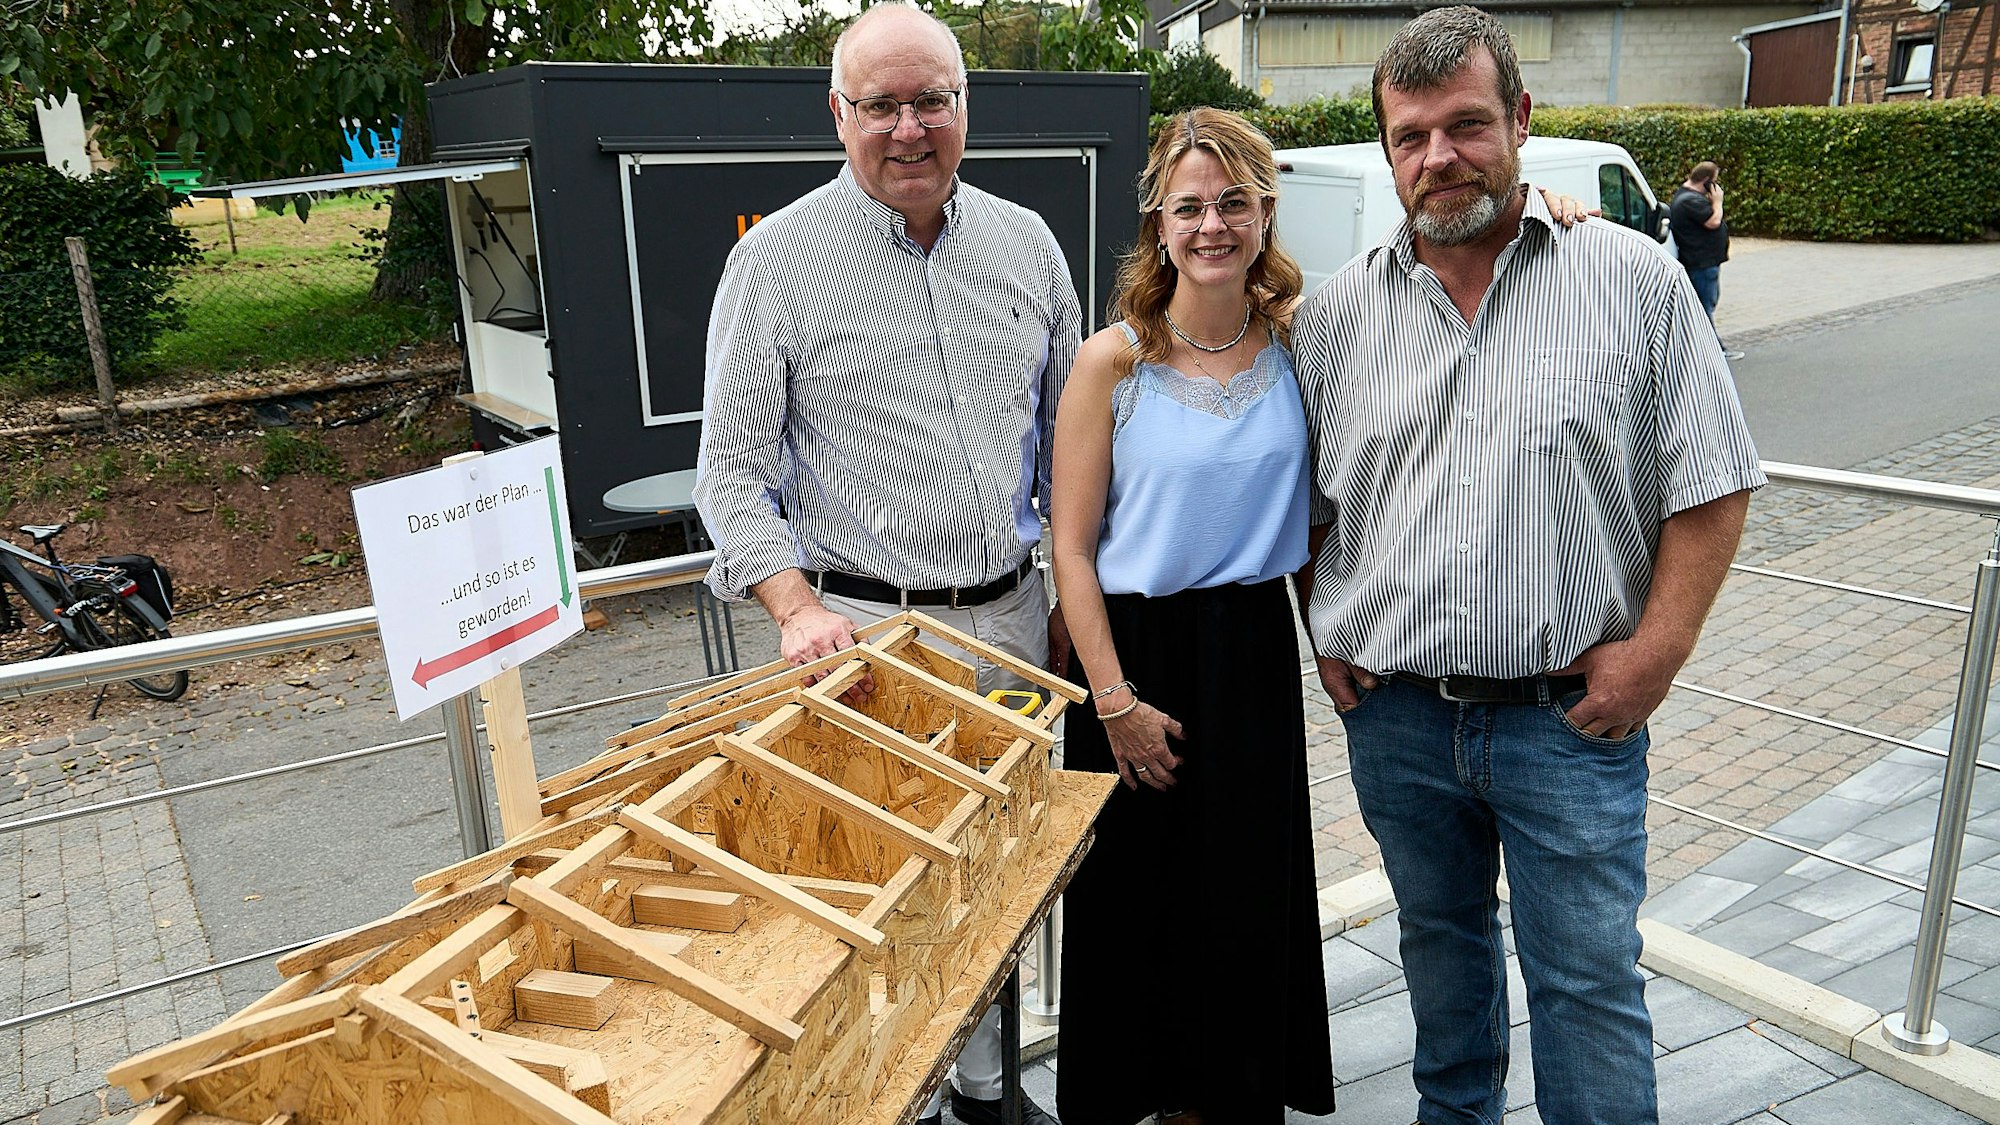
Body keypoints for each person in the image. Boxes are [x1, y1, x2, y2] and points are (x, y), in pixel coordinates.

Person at [1290, 8, 1764, 1125]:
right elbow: (1304, 500)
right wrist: (1321, 624)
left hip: (1569, 721)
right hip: (1398, 721)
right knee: (1439, 958)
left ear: (1520, 119)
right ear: (1385, 149)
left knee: (1586, 984)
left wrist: (1654, 655)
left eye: (1465, 125)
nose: (1437, 157)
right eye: (1409, 136)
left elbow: (1713, 481)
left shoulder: (1632, 282)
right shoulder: (1335, 316)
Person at [691, 5, 1077, 1124]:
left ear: (966, 107)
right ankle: (890, 1102)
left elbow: (1071, 449)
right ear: (838, 114)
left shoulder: (1027, 245)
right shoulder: (775, 262)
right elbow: (729, 474)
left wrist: (1069, 591)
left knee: (1005, 872)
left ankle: (987, 1090)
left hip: (1013, 628)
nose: (909, 129)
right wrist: (791, 606)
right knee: (880, 887)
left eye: (931, 101)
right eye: (881, 106)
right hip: (867, 645)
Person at [1048, 107, 1338, 1125]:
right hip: (1132, 658)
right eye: (1188, 207)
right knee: (1139, 909)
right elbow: (1070, 552)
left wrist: (1327, 649)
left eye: (1232, 203)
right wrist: (1113, 701)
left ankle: (1234, 1105)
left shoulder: (1300, 346)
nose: (1211, 224)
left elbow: (1311, 523)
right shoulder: (1111, 363)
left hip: (1252, 653)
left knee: (1243, 903)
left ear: (1264, 214)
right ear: (1158, 225)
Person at [1668, 159, 1741, 359]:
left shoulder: (1688, 197)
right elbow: (1713, 221)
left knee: (1706, 304)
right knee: (1704, 307)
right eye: (1714, 181)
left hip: (1704, 262)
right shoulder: (1690, 201)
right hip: (1701, 262)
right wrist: (1717, 202)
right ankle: (1715, 351)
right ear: (1707, 181)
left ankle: (1703, 348)